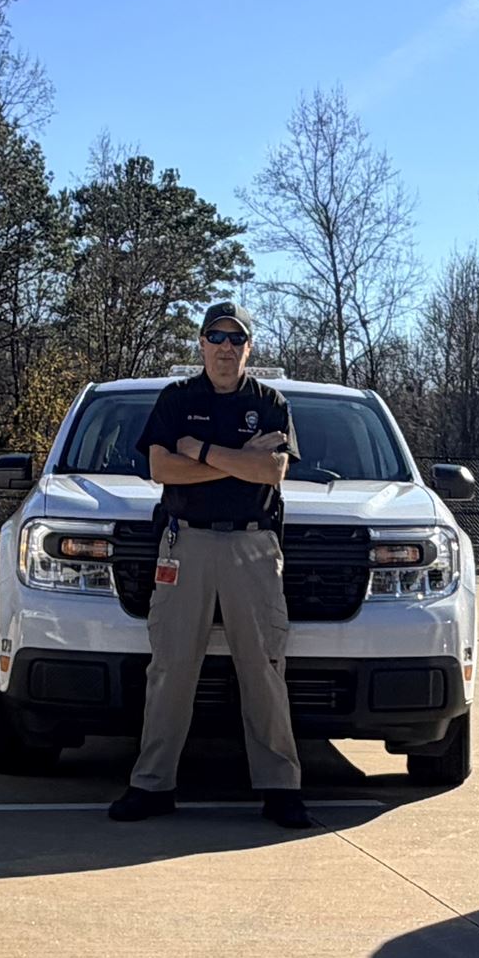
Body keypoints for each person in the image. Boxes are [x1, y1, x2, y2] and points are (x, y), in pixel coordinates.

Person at [108, 302, 310, 830]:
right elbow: (158, 467)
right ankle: (152, 785)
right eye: (215, 337)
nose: (225, 347)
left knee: (263, 669)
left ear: (249, 347)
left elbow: (271, 471)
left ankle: (281, 787)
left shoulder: (270, 402)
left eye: (235, 339)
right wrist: (233, 461)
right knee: (172, 666)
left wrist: (197, 450)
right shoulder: (178, 399)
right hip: (185, 545)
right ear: (200, 344)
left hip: (253, 548)